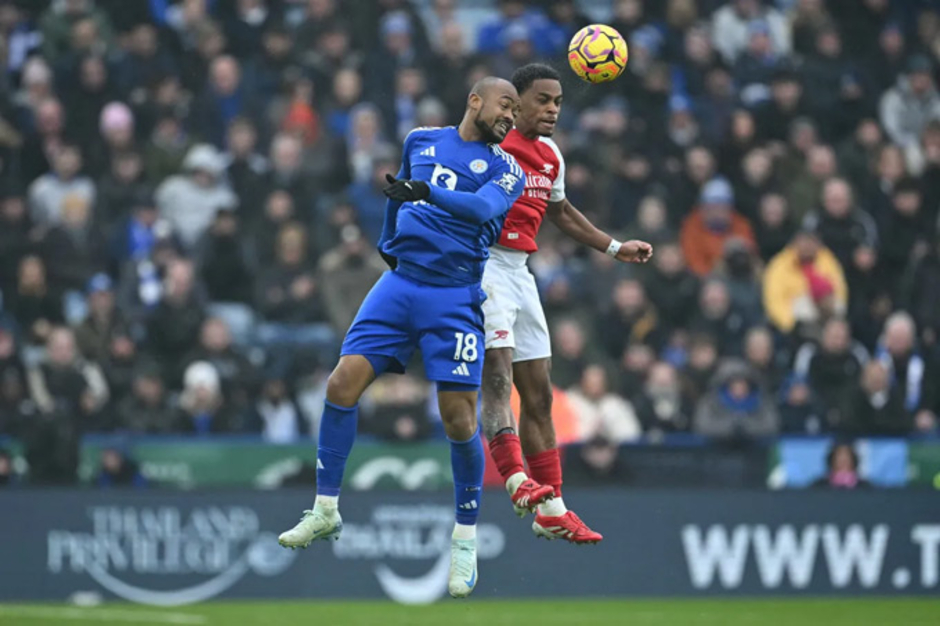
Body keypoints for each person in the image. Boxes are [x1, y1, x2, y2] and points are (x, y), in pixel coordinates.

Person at [277, 76, 524, 599]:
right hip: (399, 282)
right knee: (342, 383)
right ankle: (325, 510)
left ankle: (464, 539)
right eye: (506, 105)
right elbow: (397, 193)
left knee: (459, 416)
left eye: (517, 112)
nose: (511, 116)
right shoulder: (421, 141)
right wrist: (390, 243)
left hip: (454, 295)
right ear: (474, 99)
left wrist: (426, 191)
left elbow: (480, 211)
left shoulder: (508, 170)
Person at [480, 64, 652, 545]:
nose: (553, 109)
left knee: (539, 394)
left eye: (558, 101)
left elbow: (560, 212)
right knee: (498, 374)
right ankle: (516, 480)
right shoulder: (488, 146)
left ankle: (552, 505)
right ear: (515, 104)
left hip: (521, 273)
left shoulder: (551, 155)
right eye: (543, 100)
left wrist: (615, 247)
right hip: (483, 265)